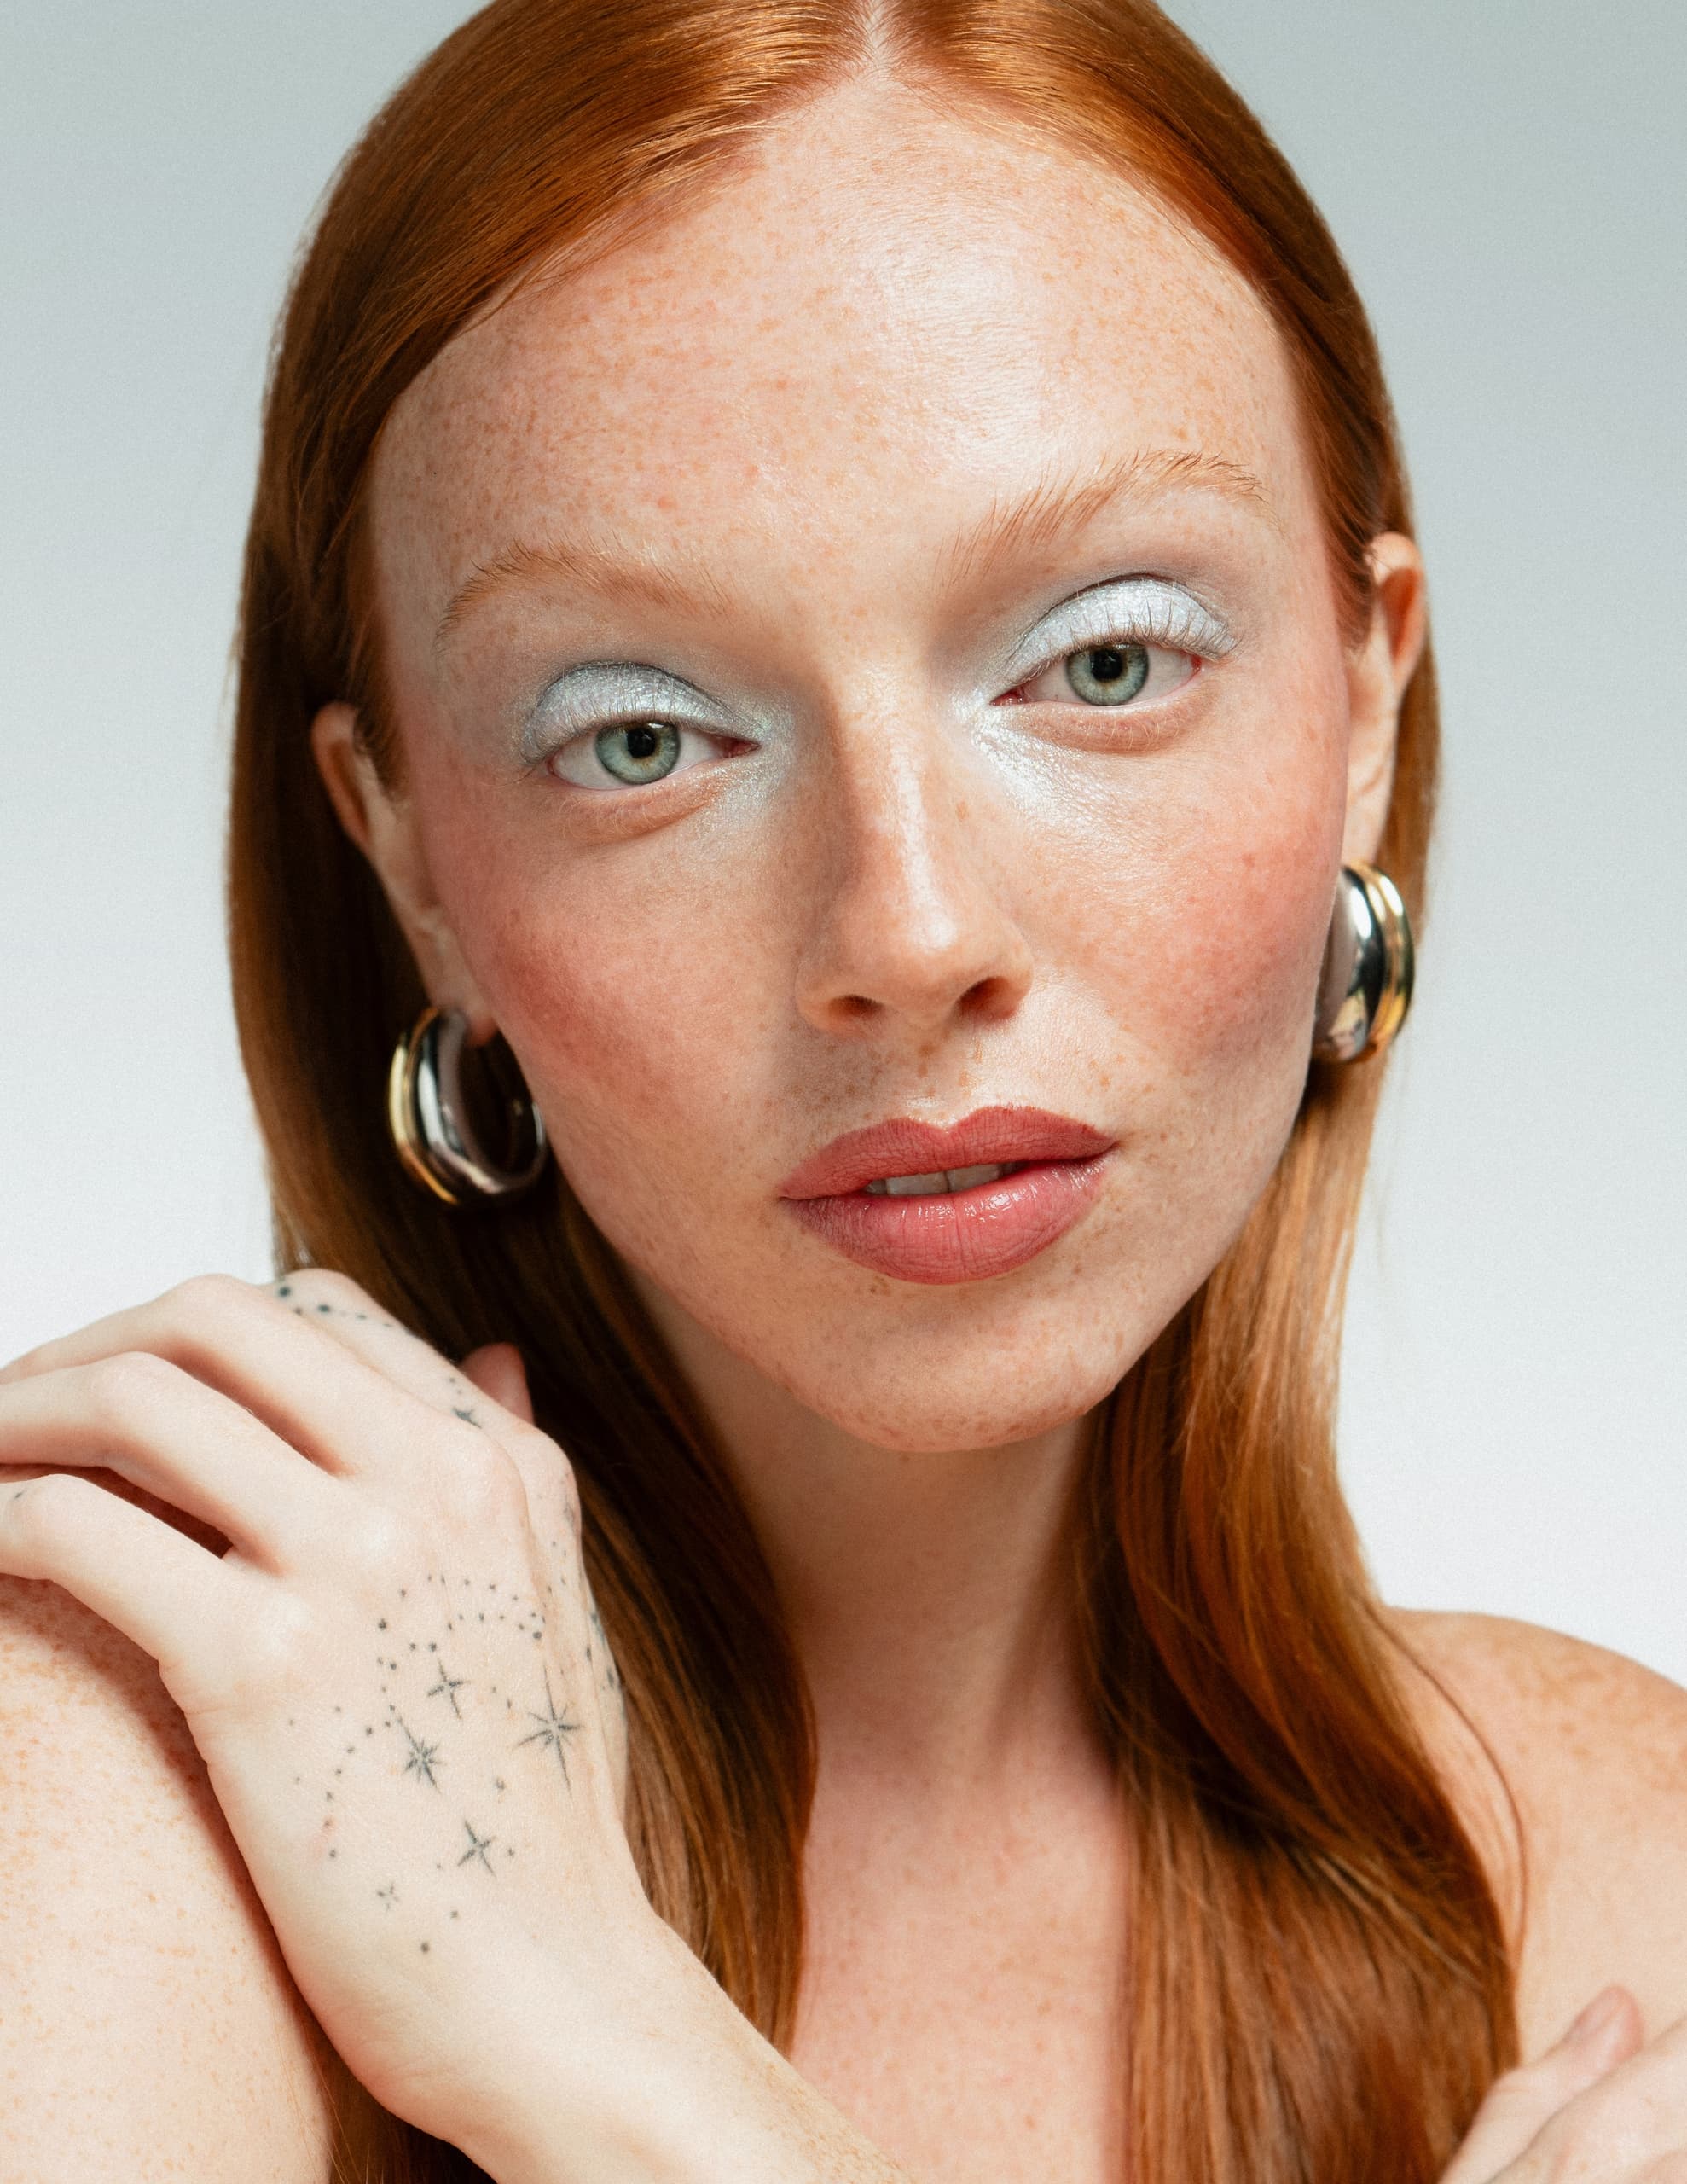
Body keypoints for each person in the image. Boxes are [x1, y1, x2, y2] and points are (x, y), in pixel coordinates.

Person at [2, 3, 1684, 2179]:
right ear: (404, 847)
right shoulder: (134, 1780)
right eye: (637, 735)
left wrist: (596, 2045)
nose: (906, 926)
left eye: (1101, 661)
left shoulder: (1609, 1879)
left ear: (1361, 702)